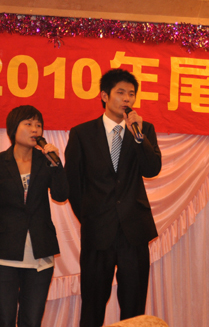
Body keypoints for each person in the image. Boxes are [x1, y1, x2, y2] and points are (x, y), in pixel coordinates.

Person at [65, 68, 162, 327]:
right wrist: (90, 216)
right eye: (121, 93)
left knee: (134, 308)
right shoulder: (82, 134)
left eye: (131, 94)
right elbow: (73, 184)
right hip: (97, 232)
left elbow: (152, 169)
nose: (127, 99)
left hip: (134, 231)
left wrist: (138, 136)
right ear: (104, 96)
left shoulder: (143, 130)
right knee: (93, 306)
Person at [0, 105, 68, 327]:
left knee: (32, 321)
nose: (35, 129)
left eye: (38, 125)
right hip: (3, 257)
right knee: (4, 320)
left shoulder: (46, 162)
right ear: (13, 129)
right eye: (28, 124)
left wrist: (56, 164)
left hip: (40, 256)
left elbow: (61, 195)